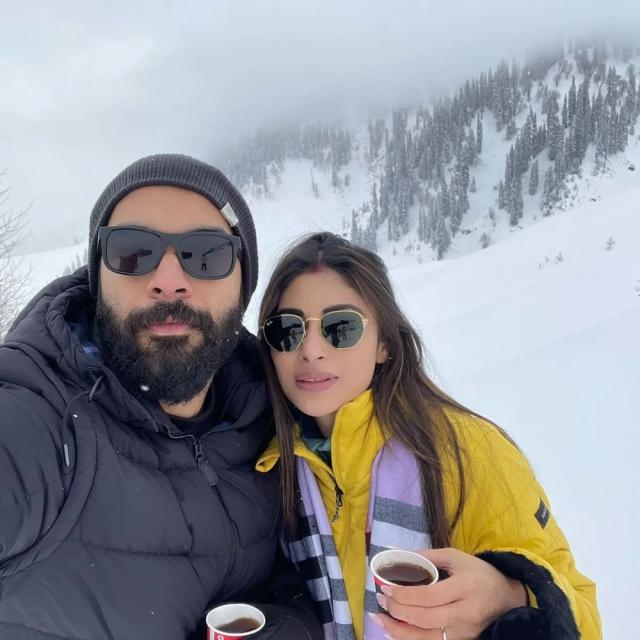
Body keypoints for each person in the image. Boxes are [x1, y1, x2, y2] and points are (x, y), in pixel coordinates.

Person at [0, 154, 322, 640]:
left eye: (206, 255)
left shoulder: (274, 412)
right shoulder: (40, 420)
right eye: (132, 252)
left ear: (242, 285)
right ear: (98, 279)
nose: (169, 281)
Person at [255, 232, 601, 640]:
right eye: (287, 330)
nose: (311, 349)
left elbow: (583, 618)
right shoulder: (271, 468)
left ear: (384, 343)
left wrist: (510, 598)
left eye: (341, 327)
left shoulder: (465, 450)